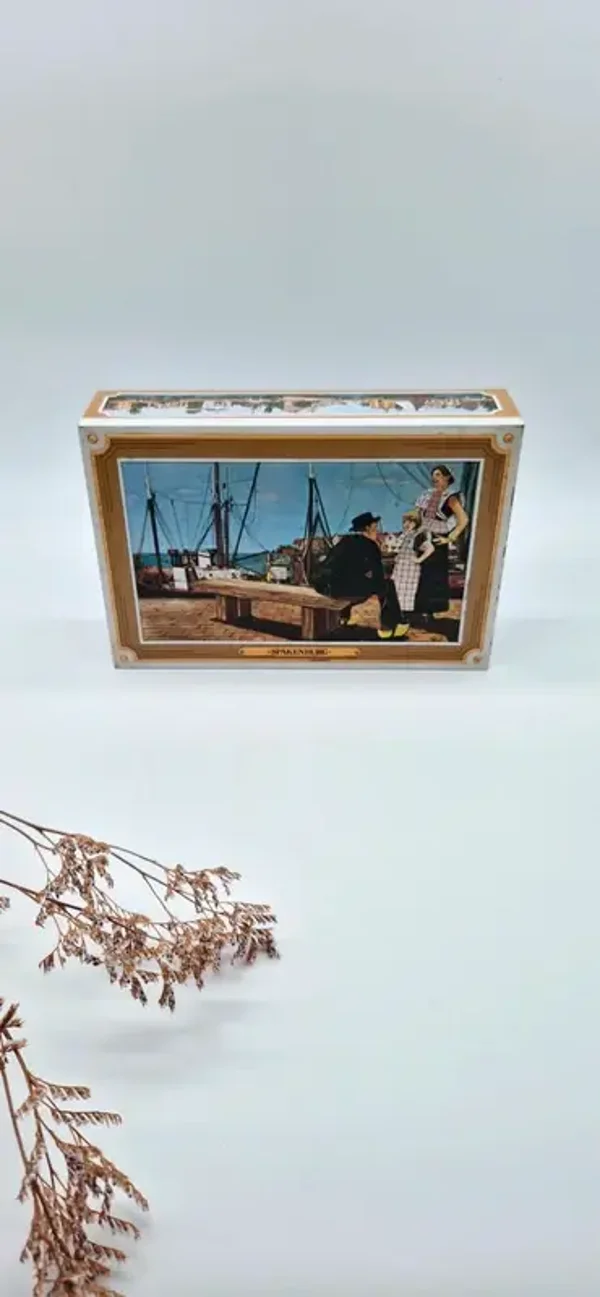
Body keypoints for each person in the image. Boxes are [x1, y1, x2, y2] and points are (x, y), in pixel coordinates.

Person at [312, 512, 407, 638]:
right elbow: (377, 575)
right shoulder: (371, 545)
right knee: (387, 585)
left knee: (351, 580)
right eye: (375, 527)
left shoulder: (344, 541)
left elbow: (331, 564)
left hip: (328, 588)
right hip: (346, 591)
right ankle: (388, 627)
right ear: (367, 528)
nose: (377, 530)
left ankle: (344, 618)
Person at [413, 466, 469, 621]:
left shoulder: (451, 498)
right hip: (422, 536)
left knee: (433, 575)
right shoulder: (426, 494)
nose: (434, 478)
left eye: (438, 475)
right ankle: (417, 609)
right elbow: (416, 515)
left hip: (438, 539)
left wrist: (449, 538)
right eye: (433, 475)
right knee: (419, 573)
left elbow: (463, 520)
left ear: (447, 477)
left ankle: (429, 611)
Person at [390, 510, 434, 630]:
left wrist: (419, 559)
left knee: (406, 596)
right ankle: (399, 619)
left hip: (409, 570)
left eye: (410, 522)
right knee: (396, 593)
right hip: (400, 569)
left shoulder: (417, 536)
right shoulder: (405, 535)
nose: (407, 524)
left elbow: (430, 548)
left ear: (416, 523)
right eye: (405, 522)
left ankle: (405, 621)